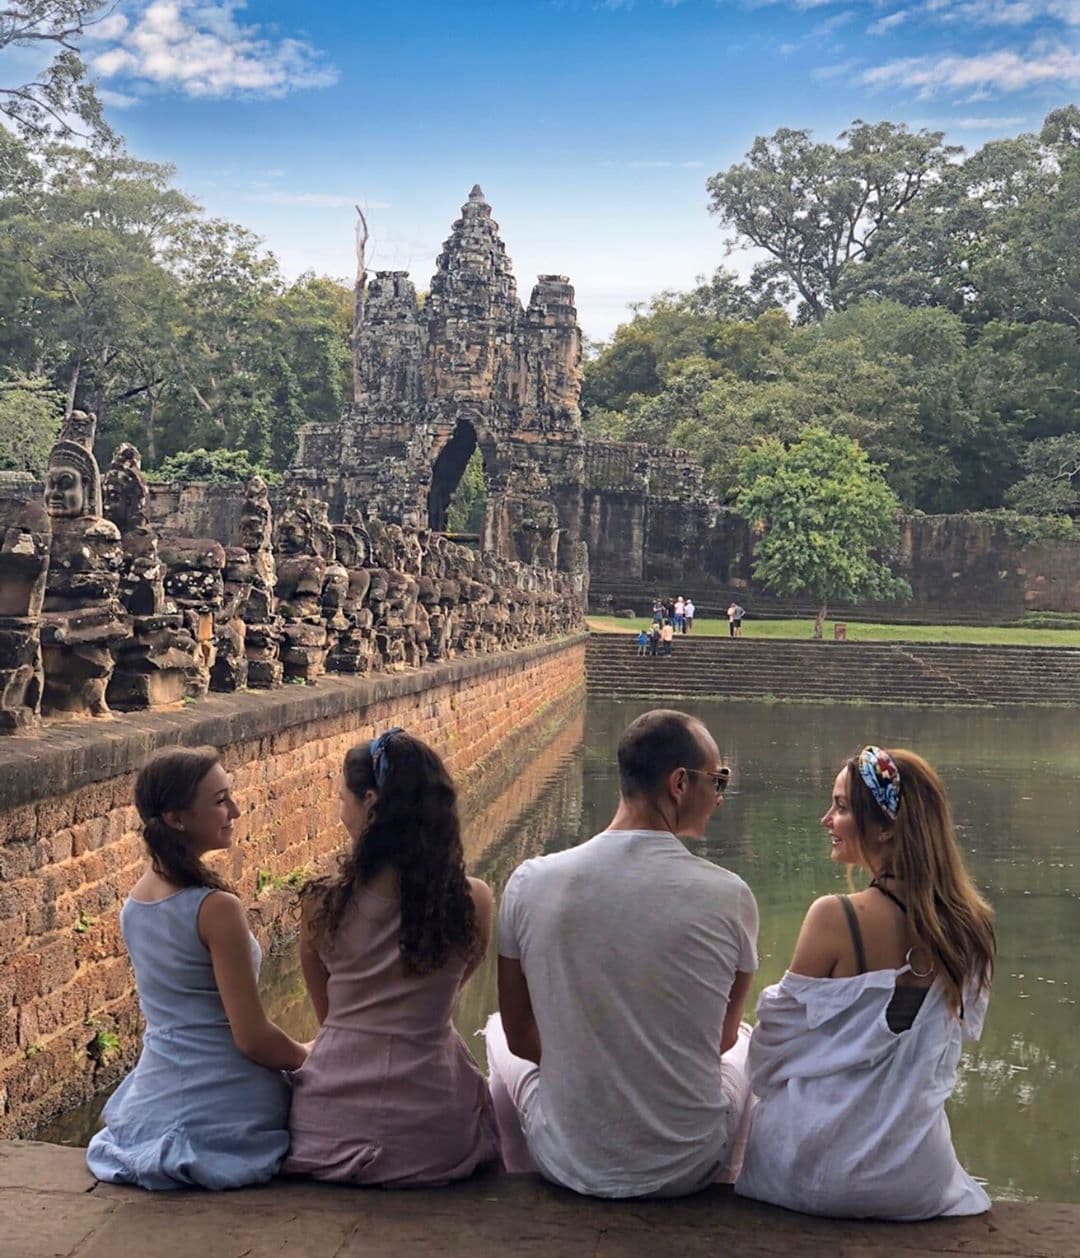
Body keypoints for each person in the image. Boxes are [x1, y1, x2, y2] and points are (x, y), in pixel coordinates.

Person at [486, 709, 758, 1198]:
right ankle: (731, 1179)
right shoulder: (730, 896)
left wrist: (589, 1058)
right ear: (679, 783)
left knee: (496, 1038)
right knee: (747, 1042)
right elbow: (718, 1038)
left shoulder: (530, 882)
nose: (719, 797)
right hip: (689, 1162)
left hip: (565, 1160)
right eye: (717, 781)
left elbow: (522, 1037)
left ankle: (514, 1173)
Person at [736, 746, 996, 1220]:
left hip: (813, 1173)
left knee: (735, 1052)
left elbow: (769, 1058)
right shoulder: (972, 928)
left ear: (887, 828)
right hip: (915, 1179)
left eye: (840, 806)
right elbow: (945, 1058)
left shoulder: (836, 917)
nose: (825, 819)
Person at [284, 729, 499, 1186]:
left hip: (327, 1131)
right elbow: (447, 993)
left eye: (342, 799)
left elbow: (329, 1018)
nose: (340, 810)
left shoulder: (322, 903)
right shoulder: (472, 900)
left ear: (367, 802)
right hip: (435, 1137)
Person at [87, 747, 304, 1191]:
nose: (235, 810)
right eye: (220, 800)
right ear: (176, 818)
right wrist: (312, 1057)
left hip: (157, 1088)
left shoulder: (136, 903)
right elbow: (252, 1037)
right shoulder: (216, 908)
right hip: (227, 1096)